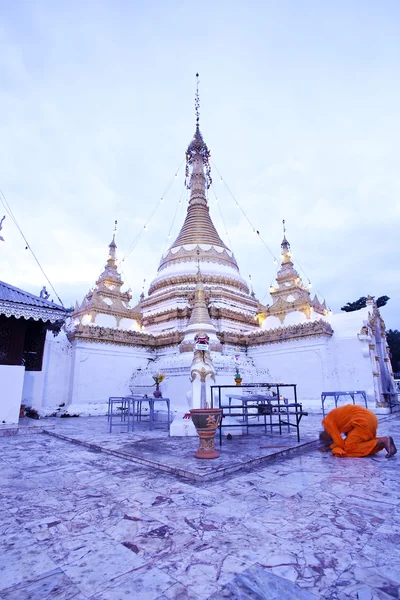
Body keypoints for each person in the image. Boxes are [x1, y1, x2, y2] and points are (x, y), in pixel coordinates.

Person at [318, 404, 397, 458]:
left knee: (348, 448)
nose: (332, 440)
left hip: (363, 421)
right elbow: (348, 433)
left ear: (326, 435)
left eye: (329, 439)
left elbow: (340, 444)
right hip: (371, 418)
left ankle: (382, 441)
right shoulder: (332, 418)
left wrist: (329, 447)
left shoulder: (328, 424)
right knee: (358, 442)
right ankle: (386, 443)